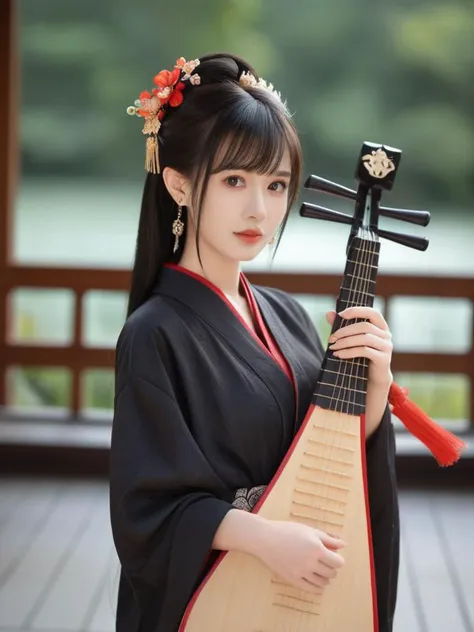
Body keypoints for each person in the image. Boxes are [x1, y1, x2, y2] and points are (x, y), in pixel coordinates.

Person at [109, 52, 399, 632]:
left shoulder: (287, 314)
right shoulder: (153, 334)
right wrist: (265, 538)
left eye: (276, 184)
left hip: (297, 588)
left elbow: (321, 458)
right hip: (217, 596)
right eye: (235, 180)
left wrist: (372, 401)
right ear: (180, 184)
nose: (259, 209)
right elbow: (150, 507)